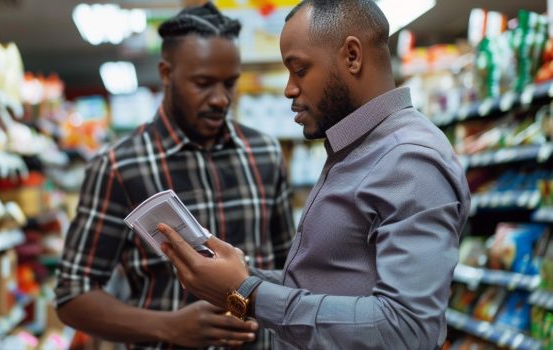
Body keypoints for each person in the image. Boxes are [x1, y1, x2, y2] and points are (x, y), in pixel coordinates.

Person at [158, 1, 471, 349]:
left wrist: (248, 293)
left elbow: (407, 328)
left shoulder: (409, 160)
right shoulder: (355, 149)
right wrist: (240, 276)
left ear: (352, 56)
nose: (289, 89)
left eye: (300, 70)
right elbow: (331, 282)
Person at [54, 2, 297, 349]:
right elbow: (71, 295)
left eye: (230, 84)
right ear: (166, 74)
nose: (220, 99)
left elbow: (289, 269)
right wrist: (168, 327)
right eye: (203, 83)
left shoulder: (265, 154)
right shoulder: (118, 166)